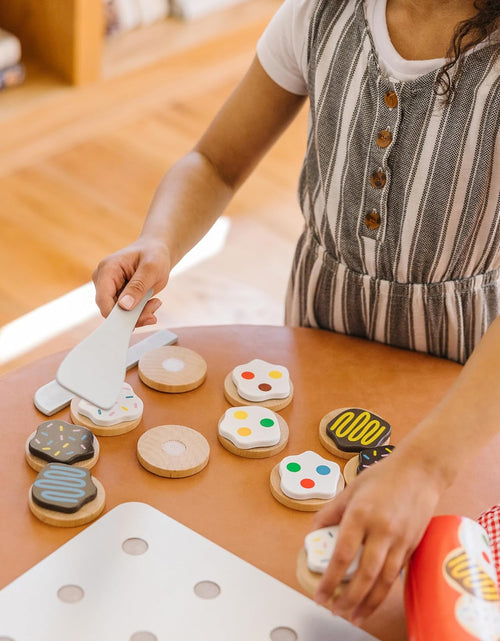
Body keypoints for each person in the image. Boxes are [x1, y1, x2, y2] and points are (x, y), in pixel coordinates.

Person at [92, 0, 500, 628]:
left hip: (460, 393)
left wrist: (424, 465)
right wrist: (160, 239)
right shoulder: (321, 12)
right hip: (315, 341)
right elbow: (215, 162)